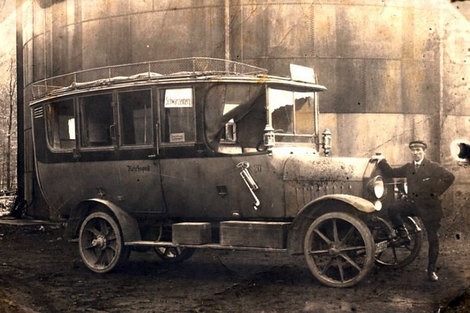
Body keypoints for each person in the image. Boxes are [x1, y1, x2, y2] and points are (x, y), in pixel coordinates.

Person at [373, 140, 455, 282]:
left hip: (430, 208)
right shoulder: (409, 167)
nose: (416, 153)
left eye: (418, 150)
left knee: (433, 239)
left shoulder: (432, 167)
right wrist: (382, 160)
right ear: (411, 152)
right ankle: (403, 235)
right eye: (413, 150)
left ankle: (431, 271)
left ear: (424, 151)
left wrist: (435, 192)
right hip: (413, 205)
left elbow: (450, 177)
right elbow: (391, 172)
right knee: (392, 209)